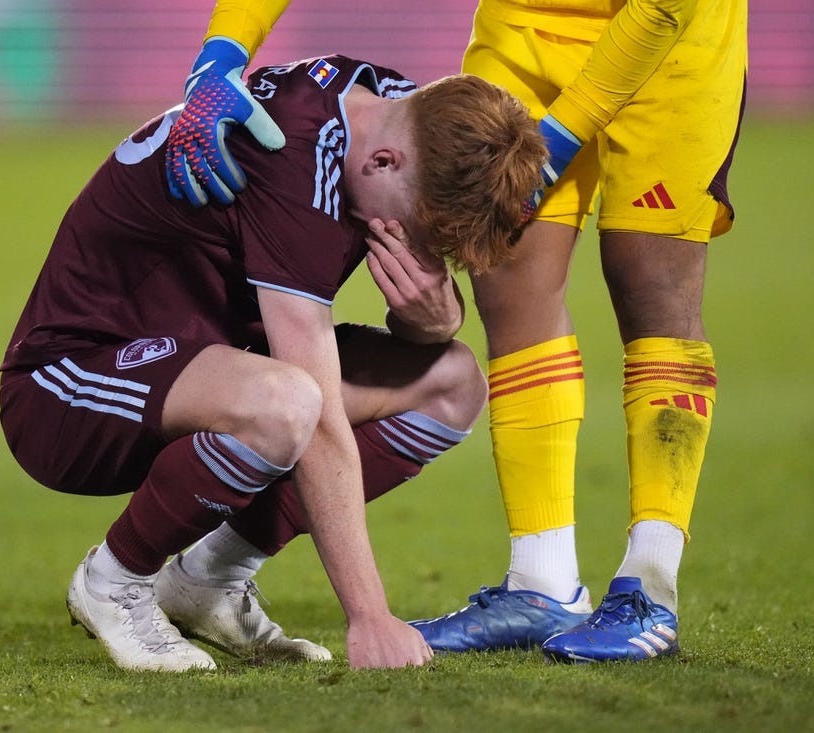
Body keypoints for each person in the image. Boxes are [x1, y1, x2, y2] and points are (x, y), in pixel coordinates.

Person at [165, 0, 747, 663]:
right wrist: (225, 47)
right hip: (524, 37)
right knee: (507, 279)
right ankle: (543, 579)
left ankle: (650, 582)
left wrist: (566, 131)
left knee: (649, 283)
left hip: (666, 48)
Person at [0, 54, 547, 672]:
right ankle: (114, 583)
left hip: (209, 363)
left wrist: (435, 323)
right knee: (289, 405)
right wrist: (369, 617)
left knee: (451, 381)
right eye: (422, 225)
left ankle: (210, 578)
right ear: (384, 163)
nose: (418, 245)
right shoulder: (296, 164)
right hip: (68, 384)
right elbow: (315, 420)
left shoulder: (388, 106)